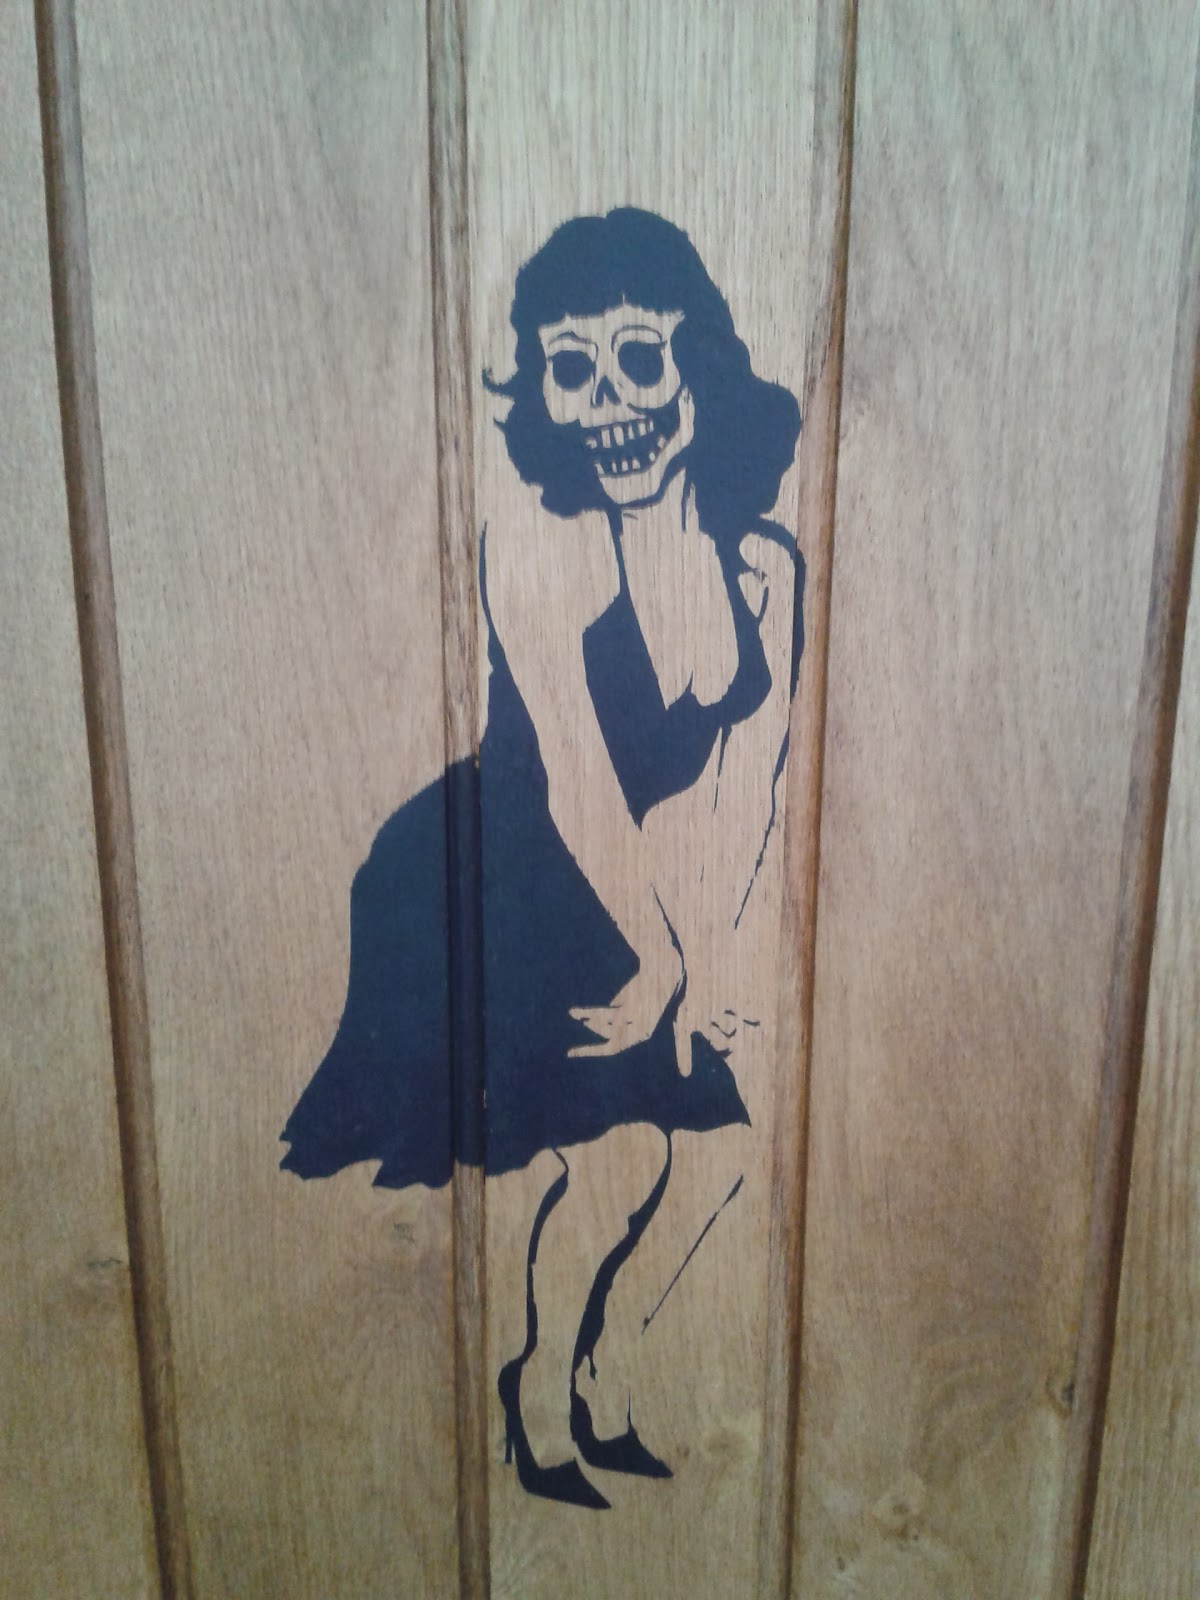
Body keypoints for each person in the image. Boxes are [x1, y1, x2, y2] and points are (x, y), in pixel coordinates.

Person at [281, 207, 803, 1509]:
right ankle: (543, 1404)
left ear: (699, 366)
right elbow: (572, 772)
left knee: (720, 1156)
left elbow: (747, 785)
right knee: (618, 1156)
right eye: (572, 369)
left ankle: (600, 1377)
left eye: (641, 358)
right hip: (498, 877)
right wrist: (660, 962)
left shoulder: (763, 566)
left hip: (649, 884)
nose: (610, 402)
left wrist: (712, 956)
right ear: (544, 396)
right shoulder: (542, 545)